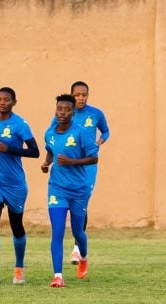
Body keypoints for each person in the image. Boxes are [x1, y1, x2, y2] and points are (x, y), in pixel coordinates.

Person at [0, 87, 39, 285]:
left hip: (15, 185)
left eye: (6, 99)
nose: (2, 102)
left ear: (14, 102)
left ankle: (19, 268)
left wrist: (9, 149)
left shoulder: (20, 124)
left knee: (16, 226)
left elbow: (35, 152)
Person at [41, 94, 99, 288]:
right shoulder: (49, 133)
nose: (62, 113)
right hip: (57, 188)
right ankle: (58, 276)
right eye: (59, 109)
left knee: (77, 231)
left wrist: (72, 162)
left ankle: (83, 257)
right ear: (55, 110)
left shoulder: (82, 133)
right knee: (57, 231)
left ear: (73, 112)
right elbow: (51, 149)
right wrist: (47, 162)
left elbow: (94, 158)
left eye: (67, 110)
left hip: (79, 190)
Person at [60, 81, 111, 265]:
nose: (80, 98)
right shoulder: (65, 113)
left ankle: (76, 249)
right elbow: (53, 133)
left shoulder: (95, 114)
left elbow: (106, 131)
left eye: (84, 95)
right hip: (68, 166)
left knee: (82, 202)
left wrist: (98, 143)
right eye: (77, 95)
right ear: (72, 95)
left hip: (88, 166)